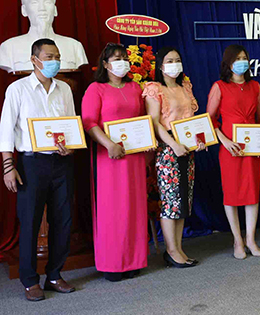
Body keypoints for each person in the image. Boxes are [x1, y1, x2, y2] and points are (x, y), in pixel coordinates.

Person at [1, 39, 77, 301]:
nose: (54, 60)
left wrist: (71, 146)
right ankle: (30, 280)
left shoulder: (64, 89)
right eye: (48, 56)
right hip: (31, 163)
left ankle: (54, 275)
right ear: (34, 59)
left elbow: (70, 124)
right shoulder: (17, 89)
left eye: (57, 56)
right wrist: (8, 166)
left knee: (63, 220)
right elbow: (6, 129)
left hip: (61, 162)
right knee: (31, 221)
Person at [81, 43, 150, 281]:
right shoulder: (96, 88)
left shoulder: (133, 87)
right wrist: (109, 144)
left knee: (134, 207)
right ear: (105, 64)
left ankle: (134, 260)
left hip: (134, 156)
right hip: (108, 158)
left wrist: (147, 141)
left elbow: (142, 120)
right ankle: (112, 263)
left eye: (124, 58)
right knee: (112, 210)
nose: (121, 62)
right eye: (116, 58)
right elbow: (89, 123)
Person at [143, 46, 204, 268]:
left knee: (183, 201)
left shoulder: (184, 87)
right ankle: (170, 250)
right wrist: (172, 144)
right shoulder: (154, 89)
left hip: (187, 146)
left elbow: (192, 119)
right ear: (160, 65)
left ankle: (178, 248)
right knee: (170, 202)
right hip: (169, 148)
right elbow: (154, 122)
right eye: (169, 60)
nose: (174, 64)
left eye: (177, 60)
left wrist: (199, 139)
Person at [207, 45, 260, 259]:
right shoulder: (219, 86)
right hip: (230, 148)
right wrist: (224, 141)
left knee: (252, 193)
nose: (242, 61)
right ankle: (237, 240)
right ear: (228, 63)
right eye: (238, 58)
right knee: (231, 194)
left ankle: (251, 238)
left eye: (245, 58)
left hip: (252, 148)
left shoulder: (256, 86)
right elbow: (210, 119)